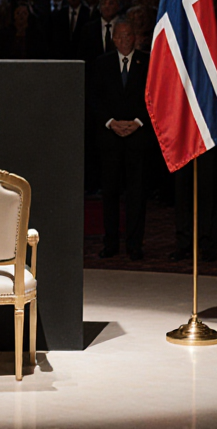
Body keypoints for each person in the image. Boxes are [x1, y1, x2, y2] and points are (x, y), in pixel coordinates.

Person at [89, 23, 152, 260]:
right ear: (113, 39)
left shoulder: (147, 62)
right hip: (110, 138)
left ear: (135, 38)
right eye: (120, 36)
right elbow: (94, 98)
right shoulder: (102, 63)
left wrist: (138, 121)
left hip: (138, 137)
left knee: (137, 194)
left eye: (129, 35)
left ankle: (135, 244)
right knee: (110, 194)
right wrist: (110, 122)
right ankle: (111, 243)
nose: (125, 40)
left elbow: (154, 96)